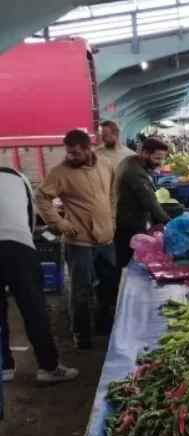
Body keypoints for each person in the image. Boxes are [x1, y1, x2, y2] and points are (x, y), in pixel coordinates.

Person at [36, 130, 117, 348]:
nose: (70, 157)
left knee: (107, 285)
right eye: (68, 152)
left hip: (106, 239)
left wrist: (112, 220)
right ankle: (82, 334)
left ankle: (103, 324)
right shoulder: (60, 173)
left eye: (75, 153)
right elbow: (41, 197)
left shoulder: (105, 165)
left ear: (88, 149)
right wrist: (59, 223)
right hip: (80, 242)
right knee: (81, 289)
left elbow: (111, 195)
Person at [0, 167, 79, 383]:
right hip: (19, 246)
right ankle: (49, 367)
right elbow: (29, 220)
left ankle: (4, 366)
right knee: (33, 307)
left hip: (14, 244)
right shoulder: (16, 176)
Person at [114, 137, 172, 280]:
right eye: (157, 158)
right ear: (144, 153)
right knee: (128, 264)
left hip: (127, 220)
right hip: (129, 225)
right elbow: (151, 203)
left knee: (123, 262)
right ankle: (116, 291)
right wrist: (171, 225)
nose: (160, 163)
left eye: (162, 159)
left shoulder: (131, 161)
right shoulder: (135, 172)